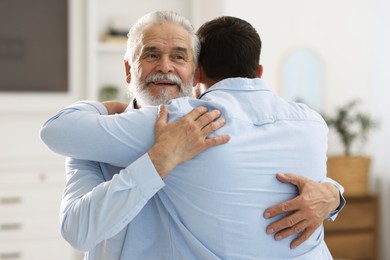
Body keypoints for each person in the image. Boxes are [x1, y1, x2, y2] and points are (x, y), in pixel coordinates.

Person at [40, 11, 344, 259]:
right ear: (128, 70)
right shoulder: (90, 140)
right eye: (151, 55)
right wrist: (155, 155)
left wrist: (333, 196)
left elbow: (260, 178)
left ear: (195, 72)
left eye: (179, 56)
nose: (165, 66)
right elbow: (78, 232)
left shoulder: (208, 122)